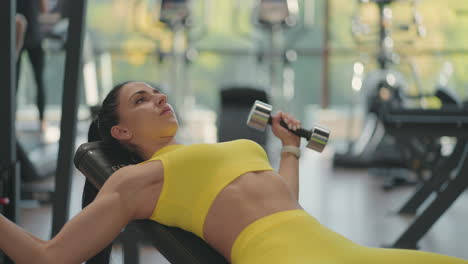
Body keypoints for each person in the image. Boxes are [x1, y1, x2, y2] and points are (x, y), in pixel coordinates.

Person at [1, 81, 467, 264]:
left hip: (338, 249)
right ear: (121, 131)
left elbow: (283, 202)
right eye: (142, 100)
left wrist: (289, 149)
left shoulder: (223, 150)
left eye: (158, 92)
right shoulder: (139, 177)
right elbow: (48, 257)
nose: (160, 98)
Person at [16, 0, 49, 132]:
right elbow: (43, 9)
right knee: (39, 81)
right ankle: (42, 121)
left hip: (20, 36)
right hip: (33, 35)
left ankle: (11, 120)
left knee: (13, 83)